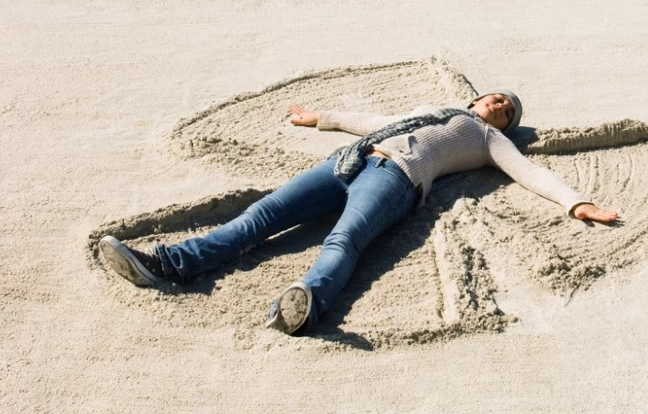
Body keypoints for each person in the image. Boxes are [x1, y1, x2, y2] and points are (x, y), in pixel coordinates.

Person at [98, 90, 618, 335]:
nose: (499, 105)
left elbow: (529, 171)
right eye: (496, 99)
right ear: (477, 97)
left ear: (502, 125)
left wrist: (577, 203)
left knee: (344, 241)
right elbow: (375, 119)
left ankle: (305, 305)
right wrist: (319, 118)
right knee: (264, 215)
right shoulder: (434, 108)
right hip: (346, 162)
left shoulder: (485, 140)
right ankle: (168, 264)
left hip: (396, 180)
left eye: (507, 110)